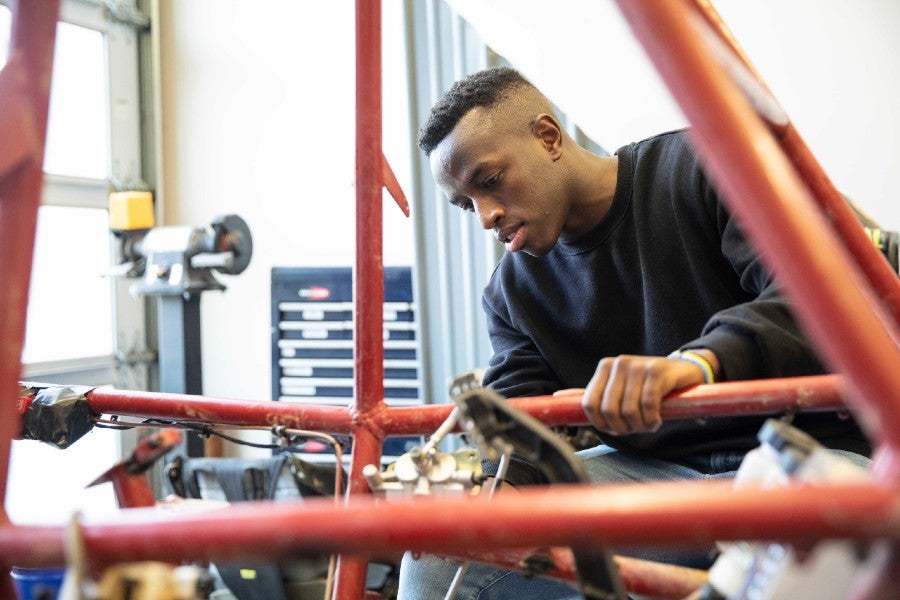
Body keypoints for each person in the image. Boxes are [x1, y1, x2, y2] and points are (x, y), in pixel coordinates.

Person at [398, 66, 870, 599]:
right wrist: (486, 486)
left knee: (796, 569)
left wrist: (695, 365)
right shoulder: (509, 292)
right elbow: (516, 418)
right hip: (653, 473)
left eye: (488, 182)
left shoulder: (704, 165)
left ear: (548, 137)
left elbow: (815, 295)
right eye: (467, 205)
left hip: (804, 456)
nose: (486, 216)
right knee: (442, 557)